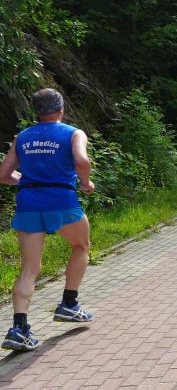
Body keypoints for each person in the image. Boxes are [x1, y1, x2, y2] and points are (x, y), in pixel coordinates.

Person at [0, 89, 95, 352]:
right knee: (81, 246)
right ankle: (69, 304)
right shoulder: (74, 133)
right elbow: (82, 160)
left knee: (29, 268)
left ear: (37, 111)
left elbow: (4, 175)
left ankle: (18, 329)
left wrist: (25, 181)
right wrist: (86, 183)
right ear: (61, 109)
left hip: (28, 204)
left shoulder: (22, 137)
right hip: (61, 203)